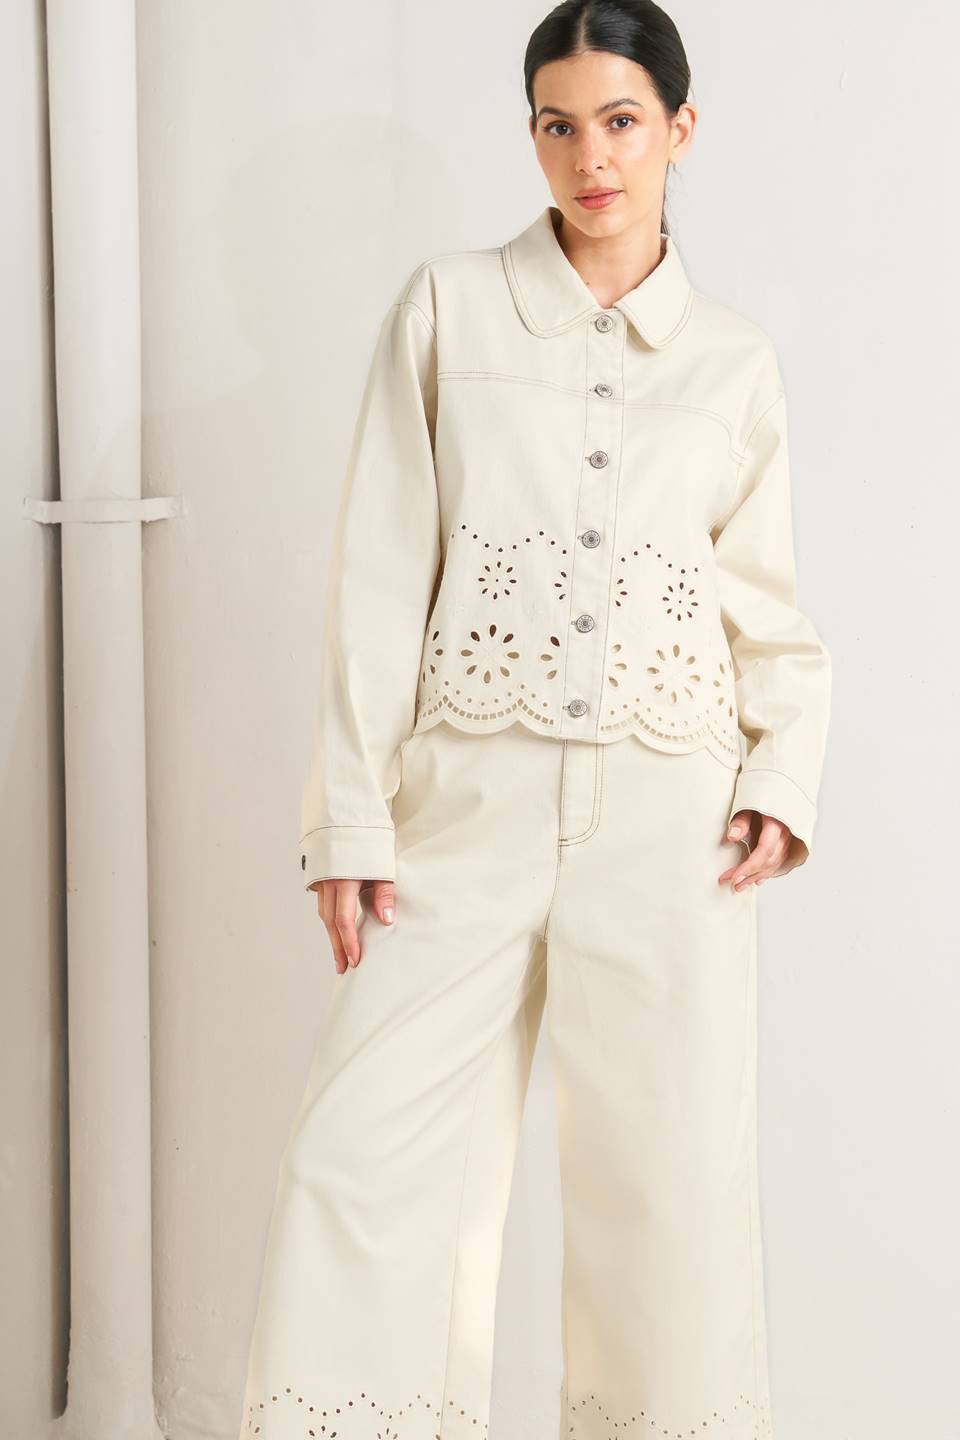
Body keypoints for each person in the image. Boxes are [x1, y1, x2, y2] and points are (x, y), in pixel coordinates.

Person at [238, 2, 831, 1437]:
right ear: (532, 136)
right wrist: (350, 819)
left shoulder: (734, 361)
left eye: (621, 121)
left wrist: (783, 774)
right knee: (362, 1155)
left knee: (670, 1179)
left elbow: (766, 607)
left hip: (674, 817)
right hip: (465, 804)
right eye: (559, 125)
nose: (591, 157)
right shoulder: (448, 309)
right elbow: (381, 576)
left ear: (681, 129)